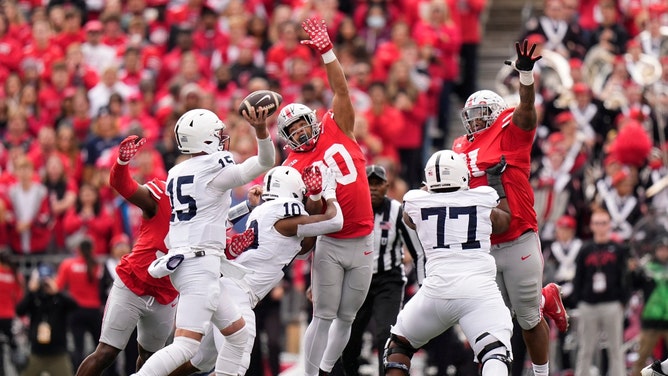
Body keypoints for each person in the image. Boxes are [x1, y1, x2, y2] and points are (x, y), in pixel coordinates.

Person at [76, 134, 263, 376]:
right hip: (136, 281)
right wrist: (121, 164)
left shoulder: (208, 203)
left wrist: (243, 219)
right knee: (107, 352)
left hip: (167, 292)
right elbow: (125, 187)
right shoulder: (162, 194)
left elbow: (216, 239)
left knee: (152, 358)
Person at [451, 39, 568, 376]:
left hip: (517, 235)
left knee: (528, 318)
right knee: (491, 319)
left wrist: (526, 76)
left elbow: (528, 111)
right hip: (482, 244)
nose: (473, 124)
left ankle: (542, 374)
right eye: (469, 117)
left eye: (479, 116)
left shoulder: (510, 131)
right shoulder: (459, 146)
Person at [132, 106, 275, 376]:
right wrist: (261, 130)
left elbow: (210, 216)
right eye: (217, 134)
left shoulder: (177, 171)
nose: (223, 138)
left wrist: (245, 206)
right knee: (186, 346)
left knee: (237, 335)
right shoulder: (214, 166)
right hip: (199, 265)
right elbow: (265, 162)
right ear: (205, 139)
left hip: (191, 262)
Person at [170, 165, 344, 376]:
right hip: (238, 296)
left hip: (226, 289)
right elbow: (335, 221)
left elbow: (304, 249)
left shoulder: (262, 212)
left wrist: (315, 199)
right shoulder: (283, 218)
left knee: (200, 362)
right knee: (233, 369)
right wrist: (329, 192)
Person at [277, 17, 374, 376]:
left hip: (364, 234)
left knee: (347, 316)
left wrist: (327, 52)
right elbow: (302, 212)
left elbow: (342, 90)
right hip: (331, 242)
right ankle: (310, 372)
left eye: (303, 123)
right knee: (323, 315)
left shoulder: (337, 125)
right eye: (293, 130)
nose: (301, 132)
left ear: (313, 120)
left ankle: (325, 369)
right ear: (286, 136)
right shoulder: (290, 164)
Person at [384, 150, 513, 376]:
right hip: (478, 291)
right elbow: (504, 221)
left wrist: (431, 189)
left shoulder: (416, 201)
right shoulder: (483, 198)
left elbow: (409, 218)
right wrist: (496, 184)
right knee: (494, 352)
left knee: (398, 348)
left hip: (436, 292)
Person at [333, 165, 424, 376]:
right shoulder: (349, 209)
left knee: (386, 333)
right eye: (369, 183)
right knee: (349, 336)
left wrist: (423, 284)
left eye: (378, 183)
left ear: (387, 186)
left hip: (388, 280)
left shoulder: (397, 211)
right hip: (357, 278)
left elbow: (417, 252)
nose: (373, 189)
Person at [572, 208, 631, 376]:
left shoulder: (618, 249)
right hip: (588, 305)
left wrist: (623, 301)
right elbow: (579, 276)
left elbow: (625, 276)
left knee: (616, 348)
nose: (601, 227)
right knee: (586, 348)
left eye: (604, 223)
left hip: (612, 303)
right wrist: (579, 301)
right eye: (597, 223)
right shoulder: (585, 249)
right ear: (591, 226)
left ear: (609, 225)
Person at [16, 263, 79, 376]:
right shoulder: (35, 297)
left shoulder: (59, 298)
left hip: (58, 354)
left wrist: (57, 292)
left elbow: (75, 306)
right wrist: (30, 292)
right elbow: (20, 311)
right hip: (36, 353)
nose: (45, 284)